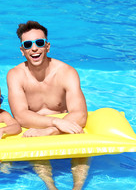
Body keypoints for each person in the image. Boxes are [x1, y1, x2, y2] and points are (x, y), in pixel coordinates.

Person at [7, 21, 90, 190]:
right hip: (39, 127)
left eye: (39, 43)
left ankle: (78, 187)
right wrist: (55, 122)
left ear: (47, 46)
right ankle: (51, 186)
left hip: (62, 128)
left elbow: (80, 114)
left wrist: (50, 129)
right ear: (22, 51)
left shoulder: (67, 72)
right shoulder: (15, 75)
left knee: (80, 141)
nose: (34, 48)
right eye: (28, 45)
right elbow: (21, 115)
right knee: (34, 140)